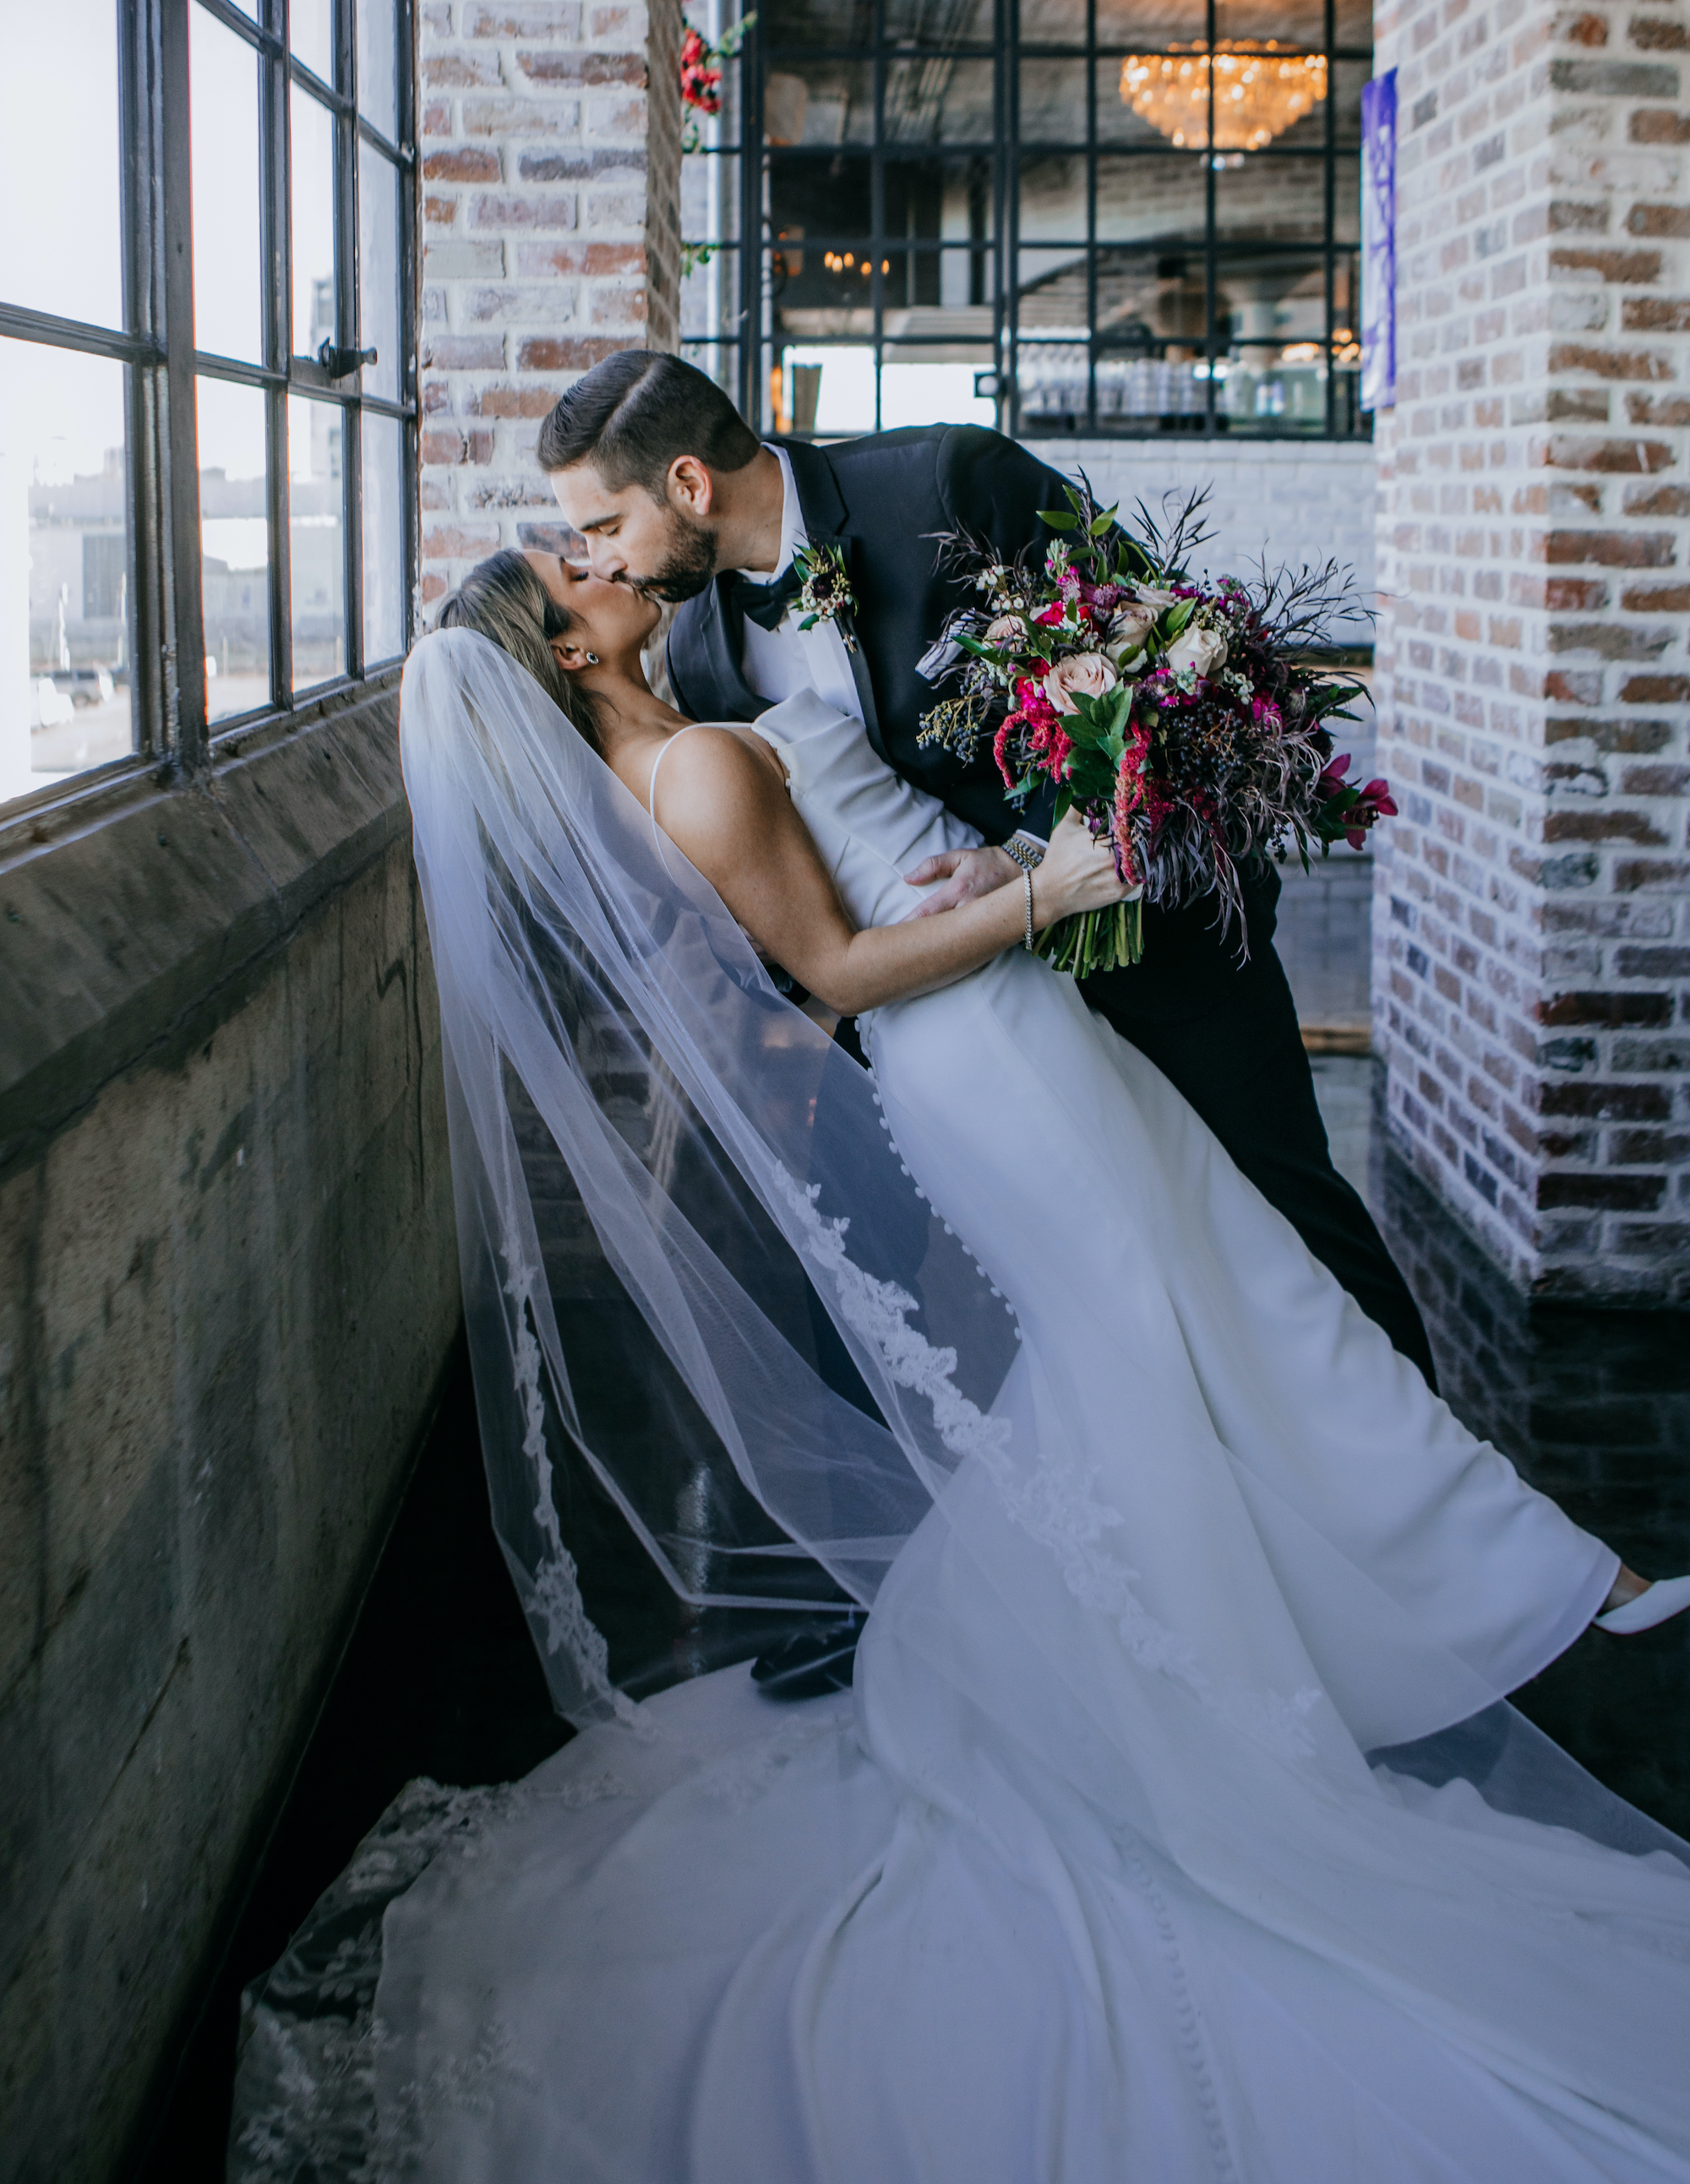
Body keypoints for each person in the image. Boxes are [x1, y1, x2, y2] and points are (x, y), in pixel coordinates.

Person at [286, 544, 1690, 2184]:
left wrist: (975, 885)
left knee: (1222, 1308)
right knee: (1176, 1342)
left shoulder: (666, 755)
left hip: (993, 1037)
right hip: (978, 1060)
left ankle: (1458, 1582)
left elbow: (840, 925)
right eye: (576, 574)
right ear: (567, 647)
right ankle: (1308, 1671)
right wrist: (1050, 891)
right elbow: (828, 972)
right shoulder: (688, 761)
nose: (608, 564)